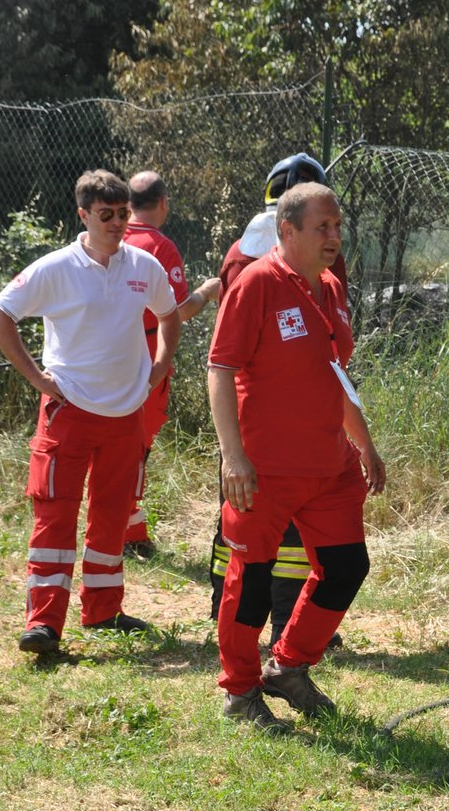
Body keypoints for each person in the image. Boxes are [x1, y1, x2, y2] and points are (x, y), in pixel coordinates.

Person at [208, 181, 385, 730]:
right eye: (321, 228)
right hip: (263, 471)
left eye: (337, 226)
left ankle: (287, 667)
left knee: (346, 567)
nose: (334, 237)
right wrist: (232, 457)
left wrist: (364, 442)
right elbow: (219, 369)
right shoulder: (257, 283)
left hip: (329, 468)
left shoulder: (330, 287)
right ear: (287, 231)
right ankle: (239, 693)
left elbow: (334, 372)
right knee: (252, 584)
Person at [0, 169, 183, 655]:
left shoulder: (142, 265)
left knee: (112, 516)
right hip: (68, 410)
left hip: (125, 414)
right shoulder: (56, 267)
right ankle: (44, 624)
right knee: (55, 516)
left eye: (121, 214)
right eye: (105, 215)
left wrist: (160, 366)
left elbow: (170, 313)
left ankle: (103, 611)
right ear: (83, 215)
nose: (117, 224)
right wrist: (38, 378)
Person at [208, 152, 349, 647]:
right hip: (267, 433)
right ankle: (283, 624)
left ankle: (233, 611)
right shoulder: (271, 265)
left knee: (242, 537)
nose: (331, 236)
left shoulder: (238, 249)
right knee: (276, 540)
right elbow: (225, 361)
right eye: (322, 223)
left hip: (261, 426)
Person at [122, 170, 223, 559]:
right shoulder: (159, 247)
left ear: (128, 204)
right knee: (135, 452)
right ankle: (127, 537)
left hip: (105, 361)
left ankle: (117, 529)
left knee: (113, 449)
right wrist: (208, 290)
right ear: (163, 203)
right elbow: (177, 313)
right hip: (146, 363)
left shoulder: (106, 239)